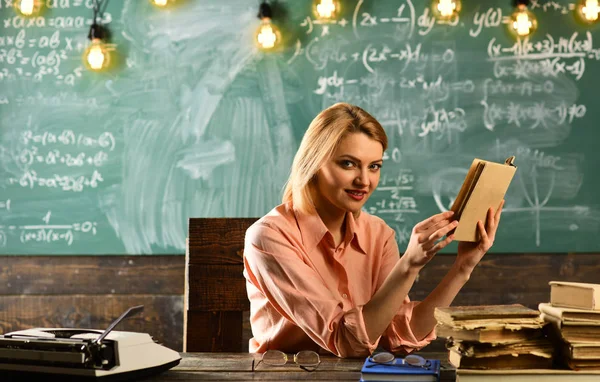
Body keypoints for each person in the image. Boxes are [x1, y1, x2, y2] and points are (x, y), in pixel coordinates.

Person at [243, 102, 504, 358]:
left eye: (374, 166)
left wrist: (463, 267)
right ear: (313, 164)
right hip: (284, 376)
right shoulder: (270, 237)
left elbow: (401, 335)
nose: (364, 181)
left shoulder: (378, 234)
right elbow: (345, 342)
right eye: (348, 164)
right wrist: (409, 265)